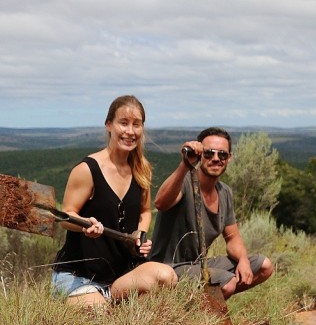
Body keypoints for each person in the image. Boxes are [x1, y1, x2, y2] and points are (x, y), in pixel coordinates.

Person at [51, 95, 177, 308]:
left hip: (120, 278)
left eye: (136, 124)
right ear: (109, 125)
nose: (130, 131)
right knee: (100, 314)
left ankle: (115, 306)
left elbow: (145, 211)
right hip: (79, 277)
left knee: (167, 277)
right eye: (123, 123)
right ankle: (98, 305)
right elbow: (65, 217)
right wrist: (84, 225)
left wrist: (139, 233)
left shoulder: (141, 170)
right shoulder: (87, 170)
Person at [150, 127, 273, 299]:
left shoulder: (225, 193)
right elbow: (161, 203)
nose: (216, 159)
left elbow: (232, 237)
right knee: (227, 282)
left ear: (229, 158)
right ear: (200, 155)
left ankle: (199, 302)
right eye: (209, 154)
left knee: (264, 266)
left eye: (222, 154)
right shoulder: (184, 182)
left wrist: (243, 260)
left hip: (198, 264)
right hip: (167, 267)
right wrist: (185, 165)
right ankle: (202, 317)